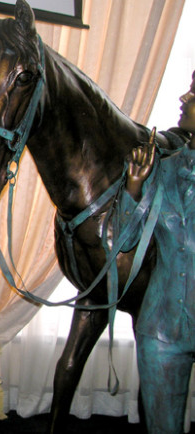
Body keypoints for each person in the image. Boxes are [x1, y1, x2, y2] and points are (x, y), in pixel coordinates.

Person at [122, 71, 195, 433]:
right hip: (162, 329)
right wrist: (133, 190)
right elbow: (122, 242)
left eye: (194, 92)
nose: (184, 98)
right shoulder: (162, 171)